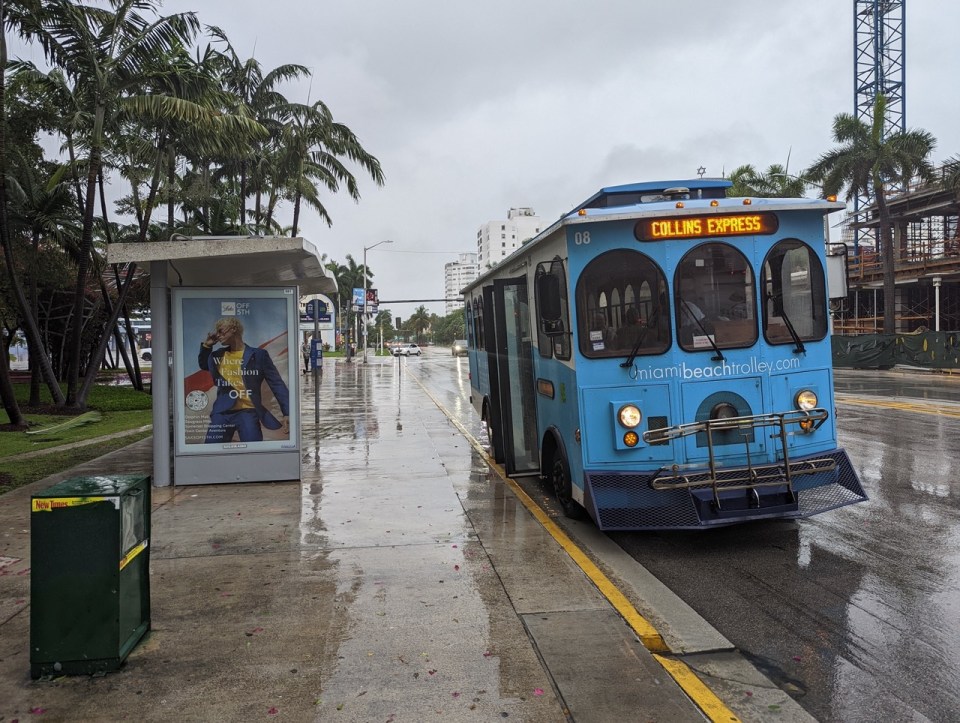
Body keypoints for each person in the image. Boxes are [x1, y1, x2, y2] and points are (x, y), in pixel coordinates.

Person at [198, 317, 290, 443]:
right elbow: (204, 365)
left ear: (234, 329)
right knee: (211, 452)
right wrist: (207, 346)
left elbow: (276, 384)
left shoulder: (259, 355)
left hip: (248, 411)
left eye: (221, 331)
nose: (218, 336)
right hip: (222, 412)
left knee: (253, 451)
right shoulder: (218, 355)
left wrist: (287, 412)